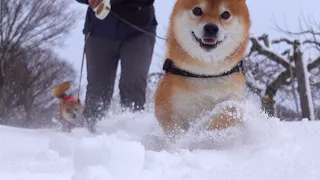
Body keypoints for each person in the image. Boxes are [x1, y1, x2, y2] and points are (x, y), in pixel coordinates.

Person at [76, 0, 157, 133]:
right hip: (98, 31)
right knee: (98, 88)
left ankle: (133, 133)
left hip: (139, 30)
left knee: (133, 83)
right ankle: (91, 133)